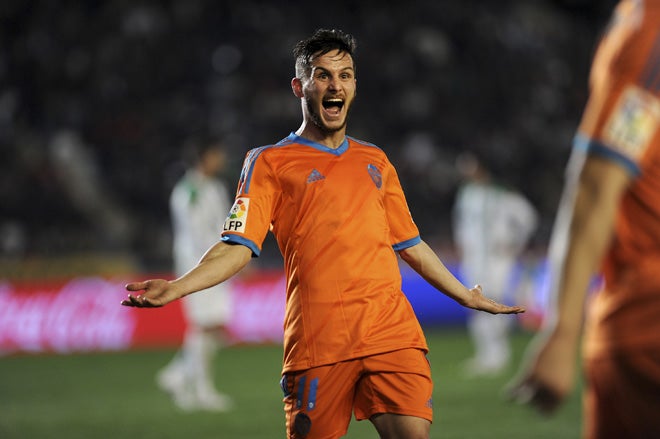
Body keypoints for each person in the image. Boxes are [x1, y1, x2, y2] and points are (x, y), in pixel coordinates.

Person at [122, 28, 524, 439]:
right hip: (318, 343)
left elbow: (411, 245)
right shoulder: (269, 163)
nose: (336, 85)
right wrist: (178, 287)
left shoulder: (376, 162)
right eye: (323, 75)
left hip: (391, 333)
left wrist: (464, 295)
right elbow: (236, 247)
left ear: (354, 85)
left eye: (345, 75)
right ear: (300, 86)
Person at [506, 1, 660, 437]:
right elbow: (601, 177)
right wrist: (563, 328)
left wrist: (563, 328)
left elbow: (598, 177)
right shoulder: (650, 30)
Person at [156, 136, 235, 412]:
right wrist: (217, 260)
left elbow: (224, 225)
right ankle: (201, 390)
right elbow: (196, 234)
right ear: (205, 157)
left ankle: (177, 376)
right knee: (206, 326)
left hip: (218, 264)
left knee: (214, 327)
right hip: (197, 267)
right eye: (217, 154)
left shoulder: (214, 188)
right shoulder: (187, 191)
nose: (221, 159)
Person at [452, 152, 538, 377]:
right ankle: (485, 354)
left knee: (494, 300)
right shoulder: (466, 195)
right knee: (472, 302)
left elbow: (528, 218)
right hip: (473, 258)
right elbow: (461, 224)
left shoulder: (502, 194)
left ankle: (499, 353)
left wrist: (514, 244)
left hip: (497, 259)